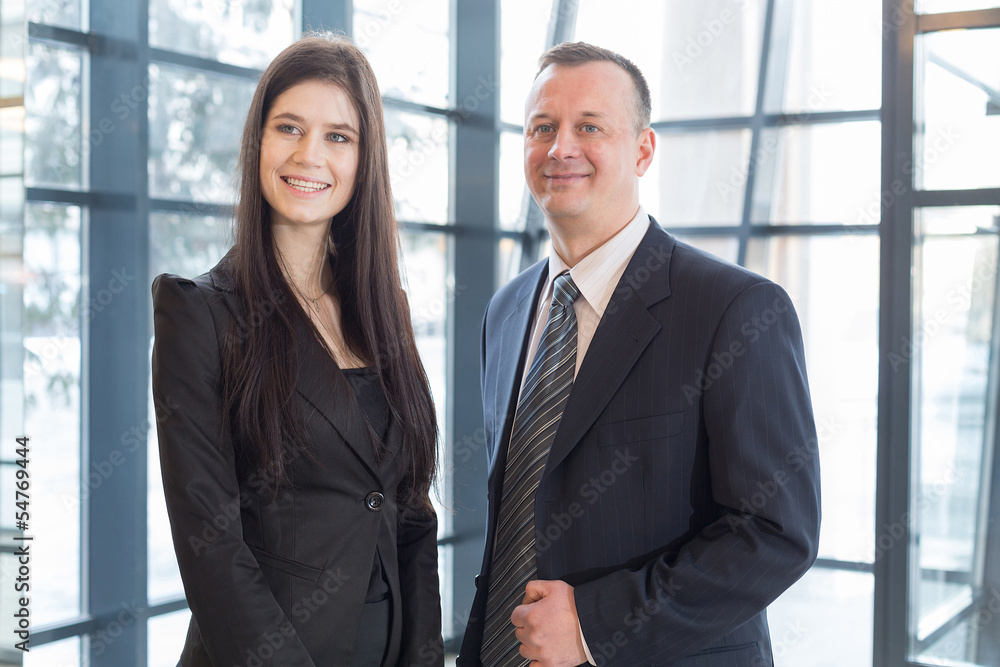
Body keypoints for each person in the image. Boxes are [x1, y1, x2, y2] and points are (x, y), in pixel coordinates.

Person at [459, 42, 821, 667]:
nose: (560, 147)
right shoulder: (506, 311)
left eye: (590, 127)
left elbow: (776, 532)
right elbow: (516, 520)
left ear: (643, 149)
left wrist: (594, 628)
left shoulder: (734, 309)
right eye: (542, 127)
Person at [151, 34, 443, 667]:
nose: (310, 155)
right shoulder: (198, 312)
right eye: (289, 127)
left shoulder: (384, 305)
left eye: (339, 136)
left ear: (366, 161)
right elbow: (209, 543)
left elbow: (411, 510)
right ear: (259, 140)